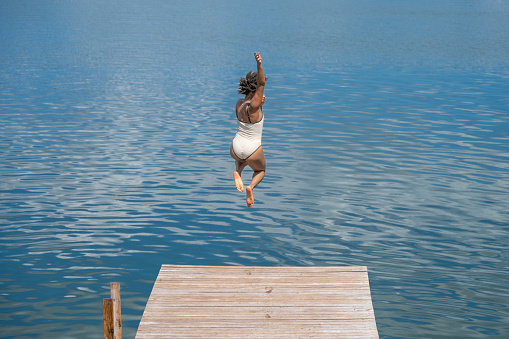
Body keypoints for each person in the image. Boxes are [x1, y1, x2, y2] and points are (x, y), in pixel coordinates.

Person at [230, 52, 267, 207]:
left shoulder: (239, 104)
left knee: (243, 160)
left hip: (236, 147)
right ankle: (250, 187)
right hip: (252, 148)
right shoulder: (253, 107)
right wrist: (259, 63)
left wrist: (261, 105)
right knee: (261, 171)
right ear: (255, 91)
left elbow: (250, 119)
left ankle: (238, 171)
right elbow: (262, 84)